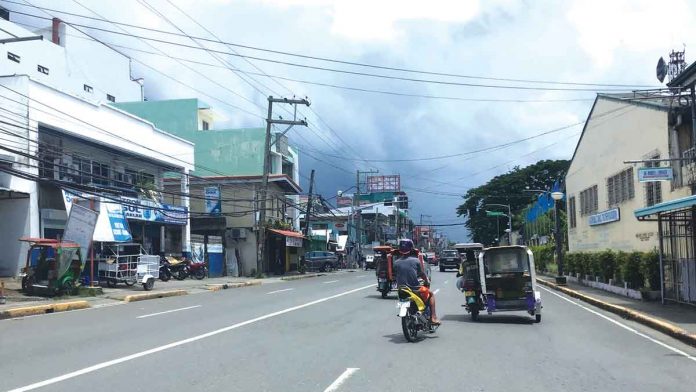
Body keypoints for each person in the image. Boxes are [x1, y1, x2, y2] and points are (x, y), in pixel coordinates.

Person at [393, 238, 440, 325]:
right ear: (411, 249)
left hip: (401, 290)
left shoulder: (396, 263)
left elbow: (395, 275)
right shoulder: (416, 260)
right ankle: (433, 317)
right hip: (415, 289)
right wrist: (426, 281)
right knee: (431, 294)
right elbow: (421, 274)